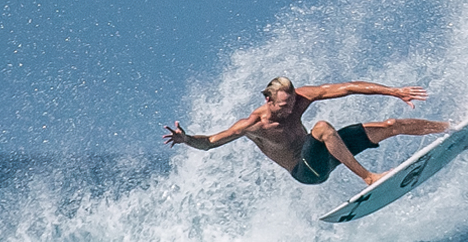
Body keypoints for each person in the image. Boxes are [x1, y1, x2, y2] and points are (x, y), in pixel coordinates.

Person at [163, 77, 449, 185]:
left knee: (390, 125)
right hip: (307, 171)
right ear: (268, 100)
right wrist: (186, 139)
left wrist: (395, 91)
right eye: (284, 106)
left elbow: (347, 88)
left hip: (327, 153)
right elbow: (212, 142)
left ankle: (449, 128)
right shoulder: (254, 124)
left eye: (292, 103)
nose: (290, 110)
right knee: (322, 127)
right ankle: (369, 178)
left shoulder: (300, 98)